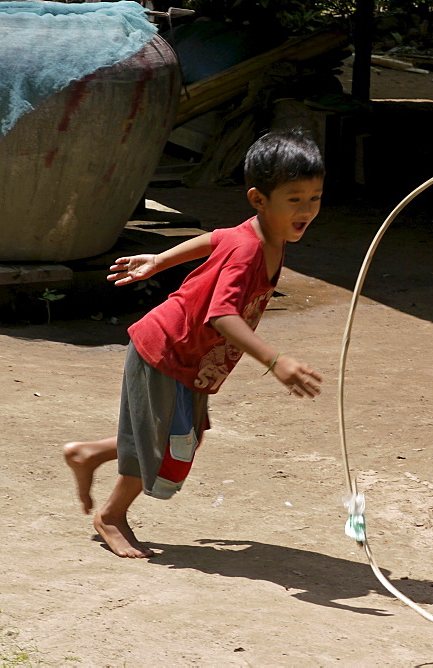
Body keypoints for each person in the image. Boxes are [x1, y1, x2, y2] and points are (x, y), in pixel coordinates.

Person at [63, 128, 325, 558]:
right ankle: (110, 515)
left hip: (190, 359)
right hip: (165, 350)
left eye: (314, 197)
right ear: (259, 200)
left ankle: (90, 453)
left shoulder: (265, 236)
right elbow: (221, 314)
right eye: (294, 199)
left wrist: (159, 259)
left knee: (182, 437)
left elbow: (214, 237)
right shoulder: (250, 250)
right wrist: (274, 360)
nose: (307, 210)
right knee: (162, 444)